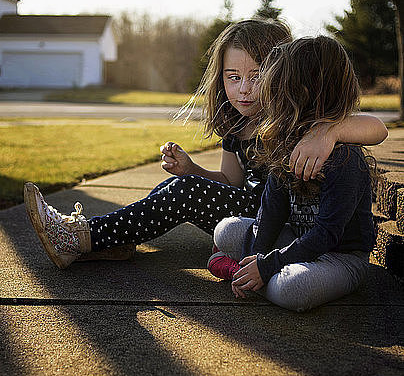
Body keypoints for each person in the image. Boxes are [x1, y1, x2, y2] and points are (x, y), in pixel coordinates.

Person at [24, 20, 387, 270]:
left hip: (288, 219)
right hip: (253, 213)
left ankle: (83, 236)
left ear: (283, 74)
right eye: (234, 77)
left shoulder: (296, 121)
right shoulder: (237, 126)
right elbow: (229, 182)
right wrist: (192, 170)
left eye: (257, 76)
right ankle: (110, 241)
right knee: (176, 185)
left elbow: (377, 128)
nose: (244, 88)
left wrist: (328, 132)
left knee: (185, 193)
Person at [208, 35, 381, 312]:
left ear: (301, 93)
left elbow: (328, 234)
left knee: (294, 289)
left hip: (339, 258)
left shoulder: (344, 158)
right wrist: (253, 259)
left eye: (275, 88)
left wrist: (267, 266)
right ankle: (248, 274)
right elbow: (270, 211)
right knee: (226, 229)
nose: (265, 94)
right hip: (296, 240)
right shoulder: (284, 140)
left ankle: (249, 276)